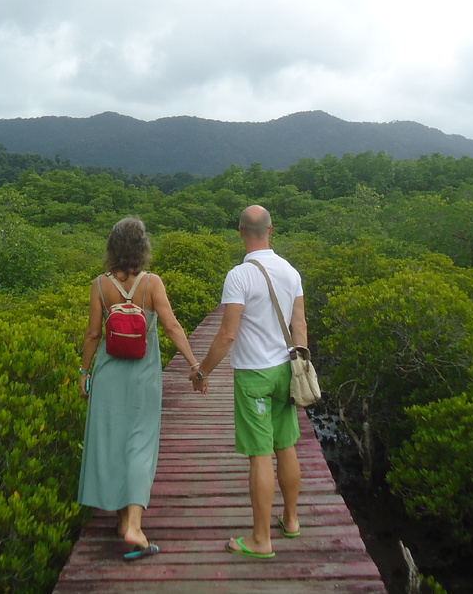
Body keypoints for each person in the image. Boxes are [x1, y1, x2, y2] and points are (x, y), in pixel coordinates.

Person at [77, 216, 201, 561]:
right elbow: (173, 326)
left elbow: (92, 335)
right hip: (143, 377)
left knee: (112, 442)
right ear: (143, 247)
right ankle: (133, 525)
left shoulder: (100, 285)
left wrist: (84, 372)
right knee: (139, 446)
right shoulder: (152, 283)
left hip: (109, 376)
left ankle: (121, 522)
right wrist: (194, 365)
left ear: (112, 248)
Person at [191, 204, 307, 559]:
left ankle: (260, 539)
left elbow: (227, 335)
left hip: (253, 375)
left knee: (259, 455)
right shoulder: (291, 272)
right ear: (272, 230)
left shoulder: (238, 276)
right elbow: (299, 326)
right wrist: (300, 367)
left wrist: (202, 372)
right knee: (285, 445)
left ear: (240, 231)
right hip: (286, 370)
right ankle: (290, 520)